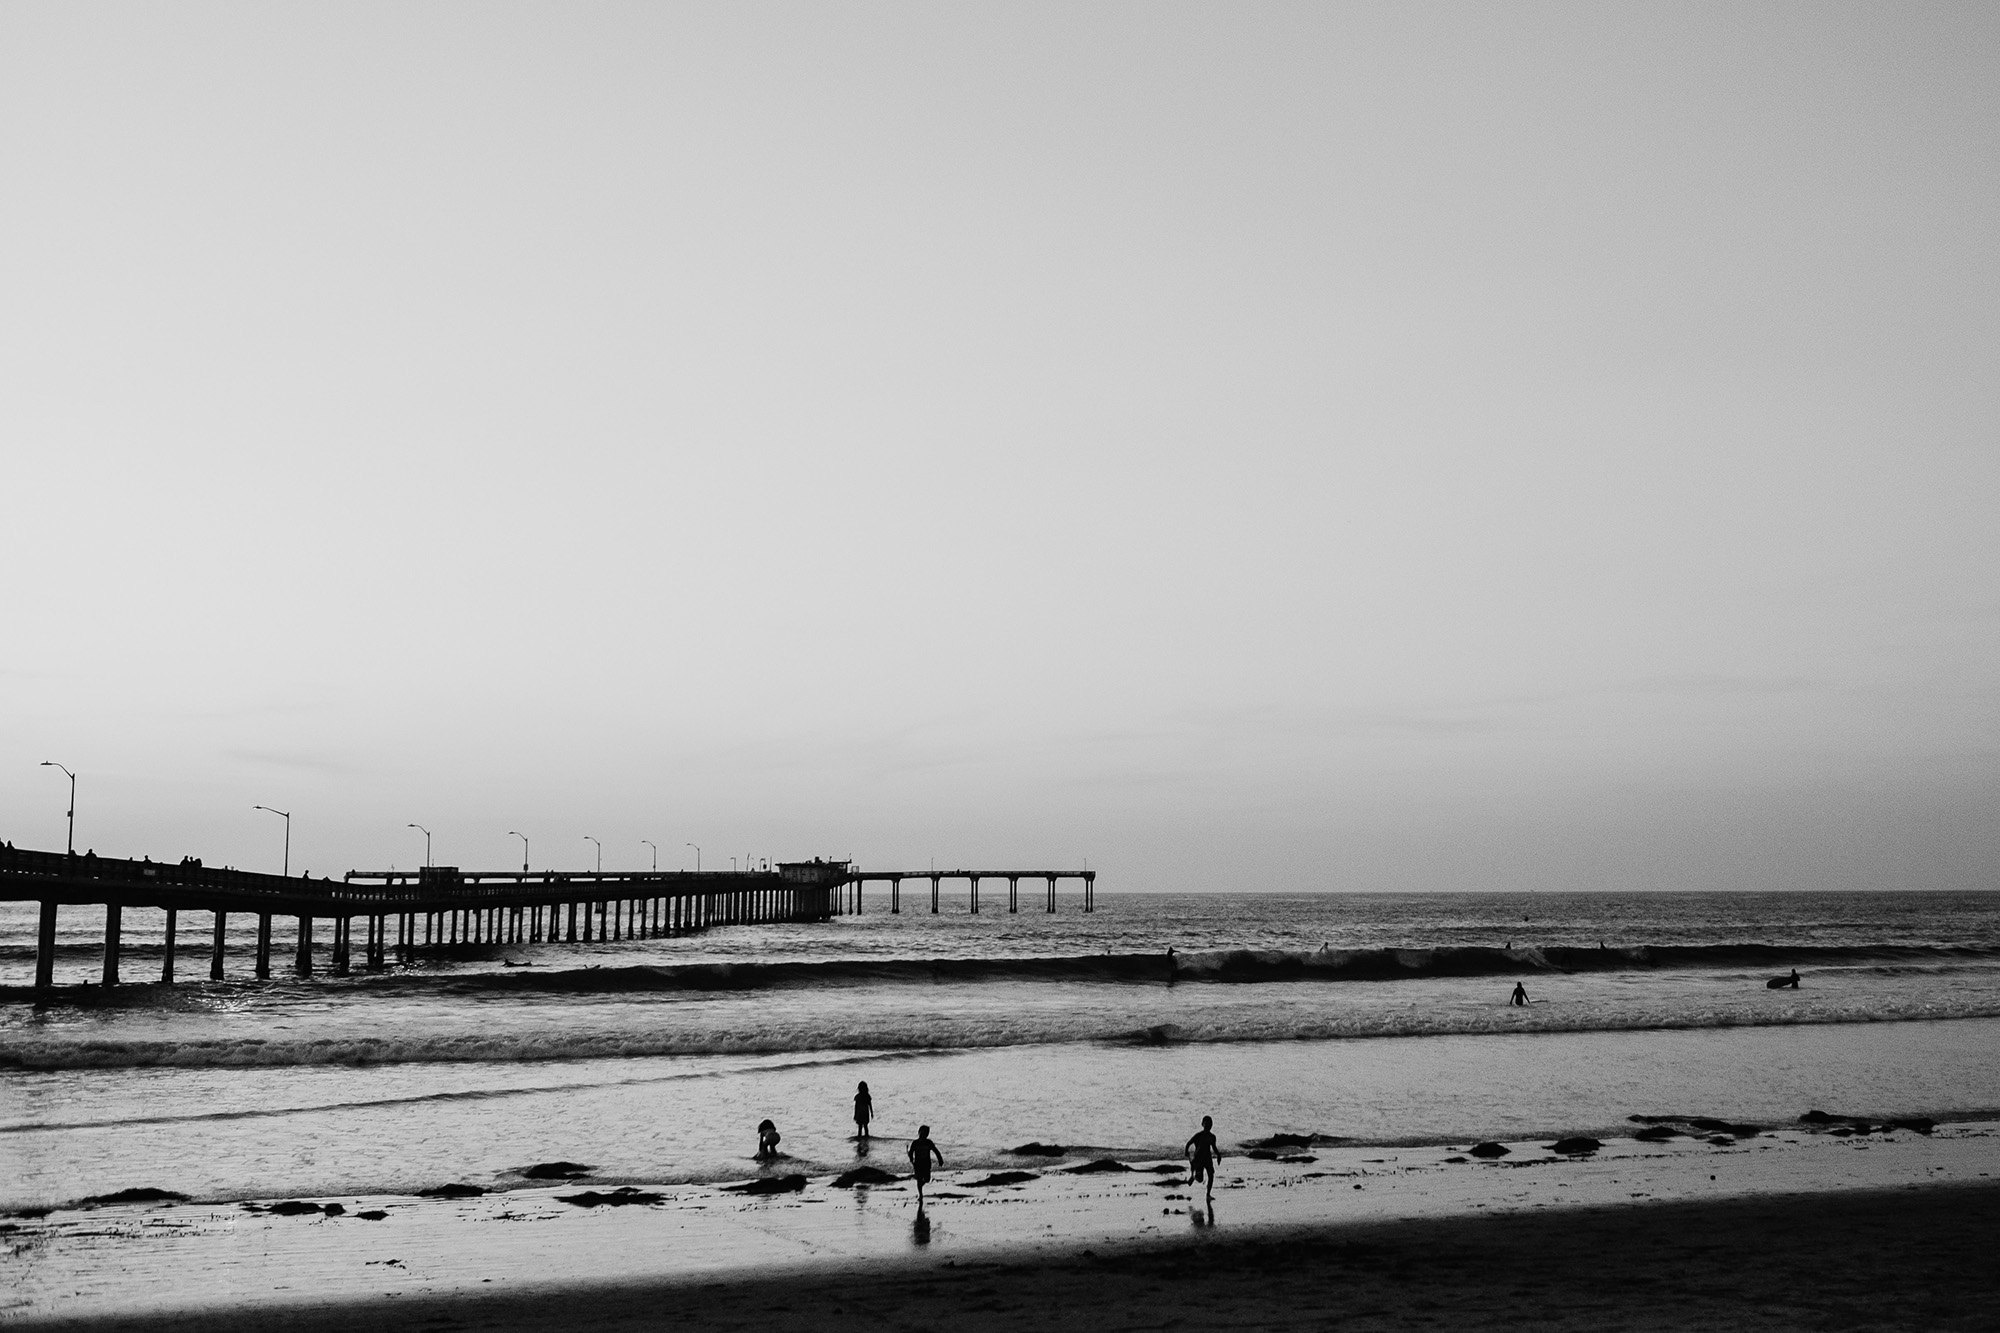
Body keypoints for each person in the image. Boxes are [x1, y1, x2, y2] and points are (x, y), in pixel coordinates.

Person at [906, 1124, 945, 1204]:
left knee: (927, 1179)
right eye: (922, 1133)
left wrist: (940, 1160)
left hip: (926, 1164)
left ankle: (922, 1183)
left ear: (927, 1134)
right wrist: (910, 1158)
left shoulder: (929, 1142)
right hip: (918, 1164)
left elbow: (936, 1151)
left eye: (926, 1133)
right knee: (919, 1180)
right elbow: (911, 1152)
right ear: (919, 1133)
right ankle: (920, 1194)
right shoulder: (915, 1143)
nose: (924, 1135)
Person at [1185, 1116, 1221, 1197]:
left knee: (1211, 1175)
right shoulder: (1198, 1135)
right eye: (1206, 1124)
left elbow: (1214, 1147)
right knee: (1200, 1179)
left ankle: (1208, 1194)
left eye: (1210, 1124)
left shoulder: (1212, 1137)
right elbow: (1189, 1143)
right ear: (1202, 1124)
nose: (1208, 1126)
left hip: (1208, 1158)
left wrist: (1218, 1155)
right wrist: (1186, 1151)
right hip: (1199, 1158)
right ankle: (1194, 1177)